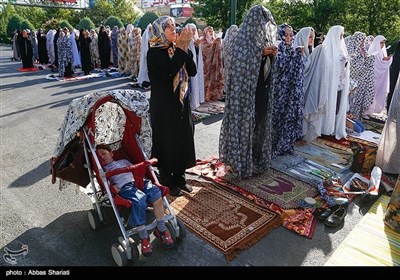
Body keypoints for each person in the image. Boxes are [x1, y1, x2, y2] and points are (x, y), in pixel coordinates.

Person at [219, 4, 278, 178]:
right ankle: (240, 162)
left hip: (261, 91)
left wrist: (270, 54)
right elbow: (238, 64)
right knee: (245, 126)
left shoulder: (264, 40)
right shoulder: (241, 40)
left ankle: (256, 159)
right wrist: (260, 53)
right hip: (244, 96)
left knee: (259, 123)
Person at [147, 16, 197, 197]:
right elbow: (169, 72)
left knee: (183, 136)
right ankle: (167, 179)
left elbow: (192, 71)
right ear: (160, 31)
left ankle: (180, 177)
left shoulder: (179, 49)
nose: (173, 29)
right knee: (167, 140)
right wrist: (182, 50)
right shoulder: (154, 52)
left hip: (181, 102)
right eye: (168, 27)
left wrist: (185, 48)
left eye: (174, 26)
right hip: (164, 106)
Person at [96, 144, 174, 257]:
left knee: (156, 194)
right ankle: (144, 237)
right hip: (125, 187)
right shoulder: (104, 170)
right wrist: (112, 187)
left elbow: (136, 169)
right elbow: (105, 184)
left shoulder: (123, 161)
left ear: (112, 153)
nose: (102, 157)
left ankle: (161, 229)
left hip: (139, 181)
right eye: (99, 156)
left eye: (104, 153)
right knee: (140, 199)